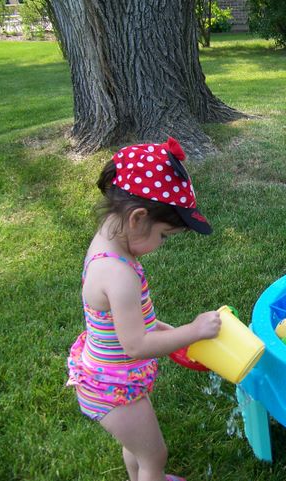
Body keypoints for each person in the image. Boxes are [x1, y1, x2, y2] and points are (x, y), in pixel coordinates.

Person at [67, 137, 222, 481]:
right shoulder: (118, 274)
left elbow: (131, 324)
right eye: (164, 235)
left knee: (138, 446)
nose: (162, 244)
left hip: (112, 375)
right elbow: (136, 344)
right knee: (154, 455)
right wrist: (194, 330)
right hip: (112, 386)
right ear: (138, 218)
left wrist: (171, 333)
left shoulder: (109, 243)